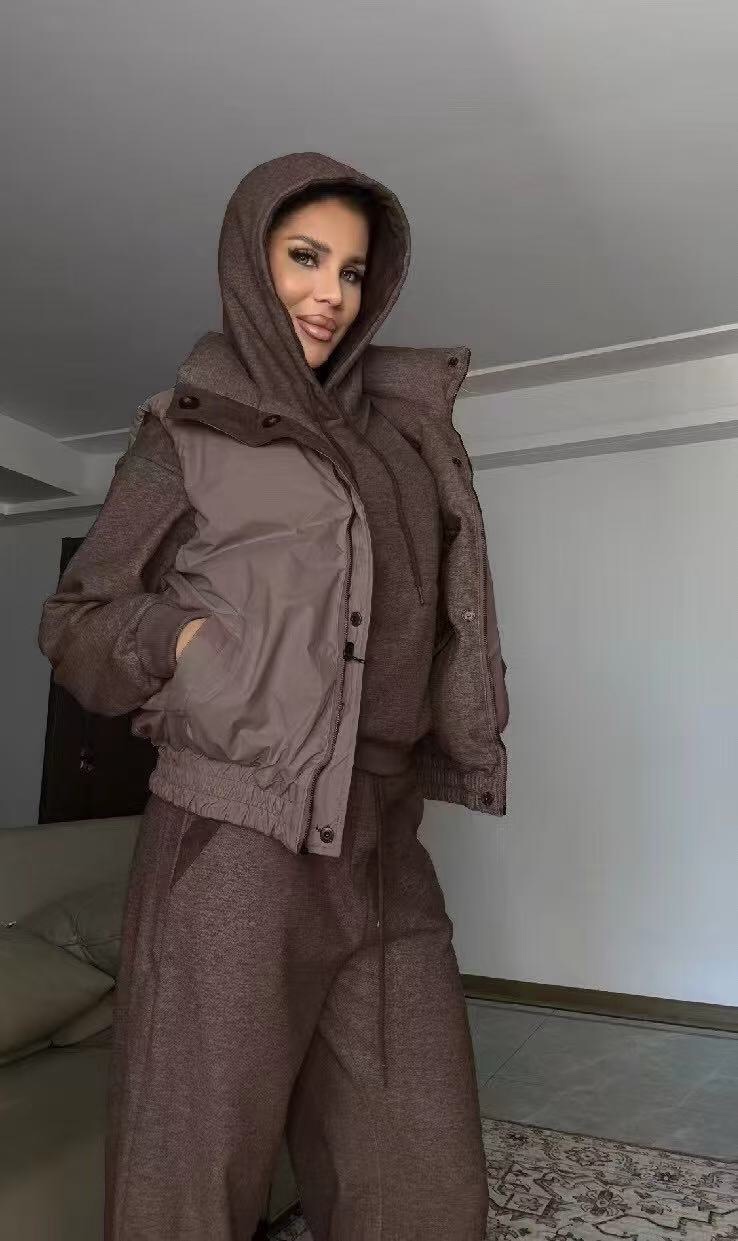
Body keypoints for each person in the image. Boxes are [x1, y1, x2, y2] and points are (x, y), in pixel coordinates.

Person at [38, 150, 509, 1241]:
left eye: (352, 271)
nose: (329, 292)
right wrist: (189, 639)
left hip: (386, 839)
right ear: (250, 263)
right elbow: (76, 619)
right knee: (191, 1174)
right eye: (305, 257)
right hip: (234, 837)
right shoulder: (187, 431)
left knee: (422, 1166)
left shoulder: (404, 441)